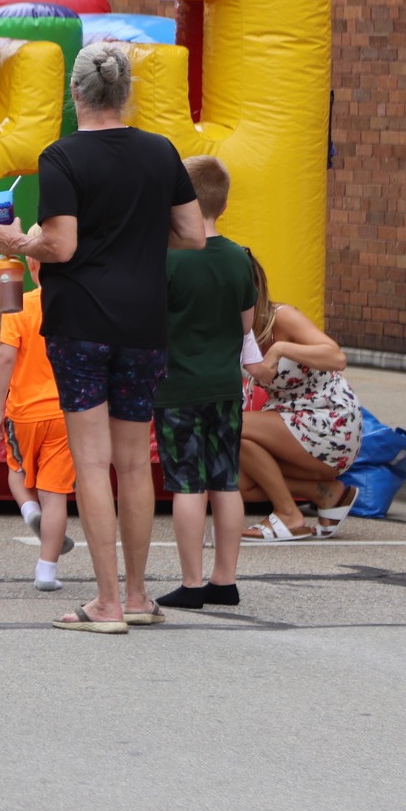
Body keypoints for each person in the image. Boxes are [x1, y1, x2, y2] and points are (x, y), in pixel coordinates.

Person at [0, 41, 203, 633]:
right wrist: (136, 241)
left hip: (81, 321)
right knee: (134, 464)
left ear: (75, 94)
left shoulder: (62, 156)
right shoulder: (160, 151)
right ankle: (136, 595)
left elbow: (62, 246)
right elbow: (192, 234)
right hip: (144, 321)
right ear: (126, 93)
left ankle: (105, 603)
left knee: (91, 462)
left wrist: (17, 244)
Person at [152, 156, 257, 610]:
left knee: (187, 485)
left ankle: (191, 582)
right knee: (226, 482)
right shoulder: (240, 259)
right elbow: (247, 323)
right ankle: (225, 578)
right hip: (225, 387)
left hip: (178, 387)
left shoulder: (170, 258)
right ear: (225, 203)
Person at [238, 252, 363, 541]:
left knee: (231, 425)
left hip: (330, 421)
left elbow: (336, 357)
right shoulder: (234, 329)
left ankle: (289, 515)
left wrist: (280, 349)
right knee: (238, 481)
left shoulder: (282, 316)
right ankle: (327, 493)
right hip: (290, 424)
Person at [0, 245, 74, 592]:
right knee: (55, 494)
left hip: (23, 412)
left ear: (30, 263)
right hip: (63, 412)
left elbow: (6, 359)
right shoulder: (74, 308)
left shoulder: (18, 306)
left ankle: (28, 512)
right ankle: (46, 571)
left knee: (17, 472)